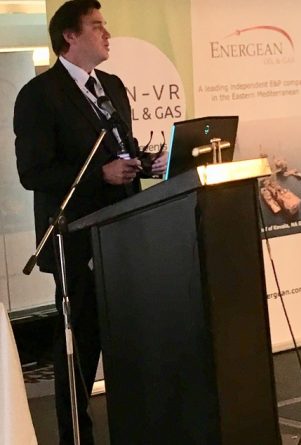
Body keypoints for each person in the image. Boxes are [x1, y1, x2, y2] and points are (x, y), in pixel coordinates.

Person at [13, 1, 166, 443]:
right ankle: (76, 436)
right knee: (80, 347)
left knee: (129, 342)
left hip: (125, 233)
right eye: (97, 26)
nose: (107, 33)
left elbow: (122, 148)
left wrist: (146, 164)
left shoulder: (111, 86)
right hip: (76, 239)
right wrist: (101, 174)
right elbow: (33, 173)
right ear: (70, 36)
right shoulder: (40, 95)